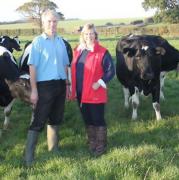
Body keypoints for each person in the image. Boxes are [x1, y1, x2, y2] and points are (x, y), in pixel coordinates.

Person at [24, 9, 70, 166]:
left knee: (56, 117)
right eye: (49, 21)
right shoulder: (37, 42)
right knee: (39, 119)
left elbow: (65, 64)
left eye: (55, 21)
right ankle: (28, 157)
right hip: (44, 86)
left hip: (60, 85)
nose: (52, 24)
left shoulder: (61, 42)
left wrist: (67, 84)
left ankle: (53, 149)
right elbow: (32, 67)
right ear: (43, 23)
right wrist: (34, 90)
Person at [70, 23, 115, 156]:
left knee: (97, 119)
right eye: (86, 34)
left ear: (95, 35)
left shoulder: (102, 52)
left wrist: (100, 82)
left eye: (91, 33)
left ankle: (101, 145)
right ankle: (92, 142)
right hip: (80, 92)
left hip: (95, 92)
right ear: (83, 36)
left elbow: (111, 71)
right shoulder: (79, 50)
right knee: (87, 118)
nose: (89, 36)